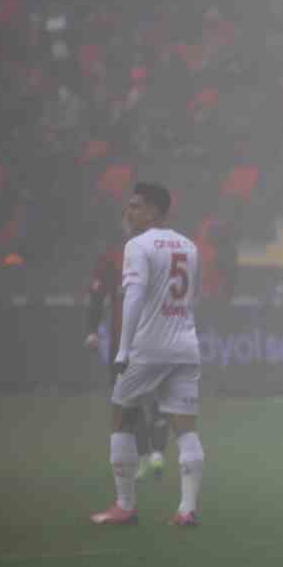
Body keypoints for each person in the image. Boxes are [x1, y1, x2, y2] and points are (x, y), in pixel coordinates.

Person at [90, 183, 207, 528]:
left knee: (121, 417)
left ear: (155, 211)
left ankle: (125, 506)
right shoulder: (189, 245)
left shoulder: (137, 246)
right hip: (185, 346)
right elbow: (190, 297)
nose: (129, 212)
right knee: (185, 428)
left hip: (148, 348)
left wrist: (123, 349)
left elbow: (134, 297)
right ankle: (187, 510)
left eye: (136, 206)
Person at [85, 207, 168, 481]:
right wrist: (92, 329)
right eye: (127, 218)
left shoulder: (158, 254)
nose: (130, 223)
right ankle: (147, 456)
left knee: (151, 397)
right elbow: (97, 296)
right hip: (123, 344)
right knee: (130, 404)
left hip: (150, 340)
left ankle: (155, 453)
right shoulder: (110, 258)